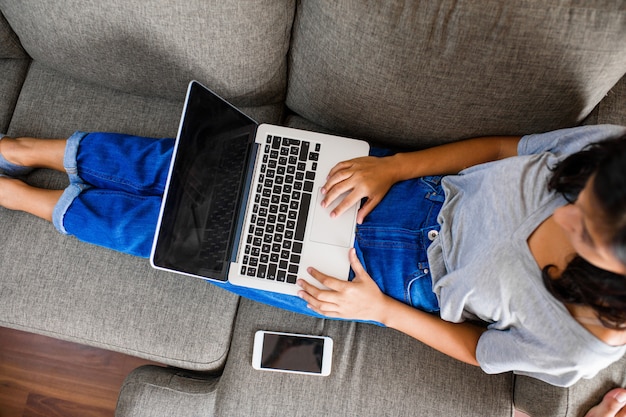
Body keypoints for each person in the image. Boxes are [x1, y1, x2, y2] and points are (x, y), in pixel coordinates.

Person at [1, 124, 625, 387]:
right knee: (188, 165)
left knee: (181, 238)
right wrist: (391, 167)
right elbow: (497, 145)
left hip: (384, 281)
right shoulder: (610, 148)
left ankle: (28, 201)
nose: (564, 215)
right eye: (583, 193)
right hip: (400, 189)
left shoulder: (581, 347)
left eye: (586, 235)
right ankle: (31, 149)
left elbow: (477, 350)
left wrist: (377, 310)